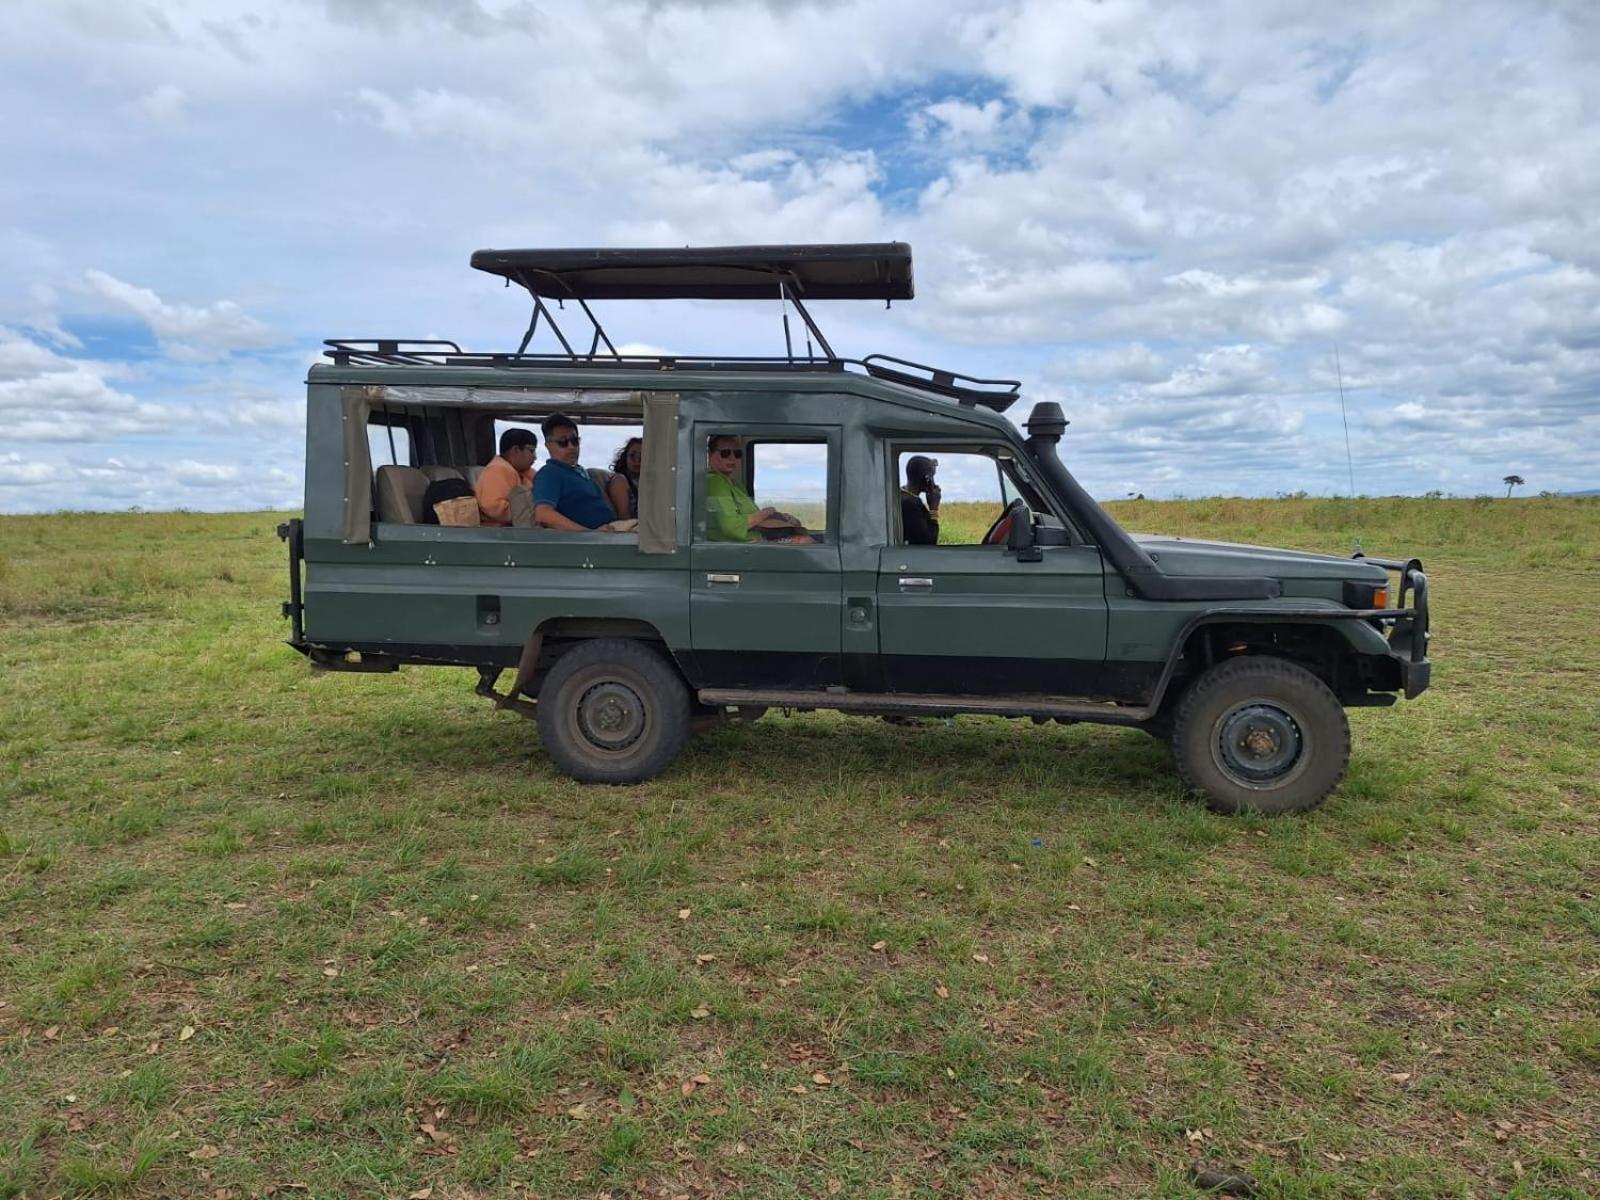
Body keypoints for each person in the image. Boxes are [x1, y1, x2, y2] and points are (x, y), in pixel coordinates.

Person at [705, 434, 811, 543]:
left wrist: (780, 518)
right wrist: (766, 513)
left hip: (756, 540)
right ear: (710, 454)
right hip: (739, 546)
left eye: (737, 454)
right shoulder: (714, 481)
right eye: (725, 453)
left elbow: (752, 518)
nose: (732, 458)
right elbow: (731, 527)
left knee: (805, 537)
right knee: (805, 541)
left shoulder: (735, 485)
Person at [531, 413, 617, 530]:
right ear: (548, 446)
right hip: (597, 538)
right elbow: (543, 514)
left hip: (612, 532)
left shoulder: (579, 474)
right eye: (563, 442)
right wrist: (590, 535)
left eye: (575, 441)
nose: (571, 447)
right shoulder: (550, 473)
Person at [475, 427, 537, 526]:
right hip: (499, 535)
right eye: (531, 450)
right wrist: (537, 512)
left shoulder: (522, 471)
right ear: (516, 450)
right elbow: (493, 507)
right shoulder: (497, 470)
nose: (535, 457)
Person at [901, 455, 941, 545]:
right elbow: (929, 542)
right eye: (932, 476)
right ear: (927, 479)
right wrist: (933, 509)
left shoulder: (905, 497)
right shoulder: (910, 505)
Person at [606, 436, 642, 520]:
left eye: (642, 456)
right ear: (625, 457)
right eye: (632, 456)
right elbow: (624, 519)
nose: (637, 461)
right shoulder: (619, 480)